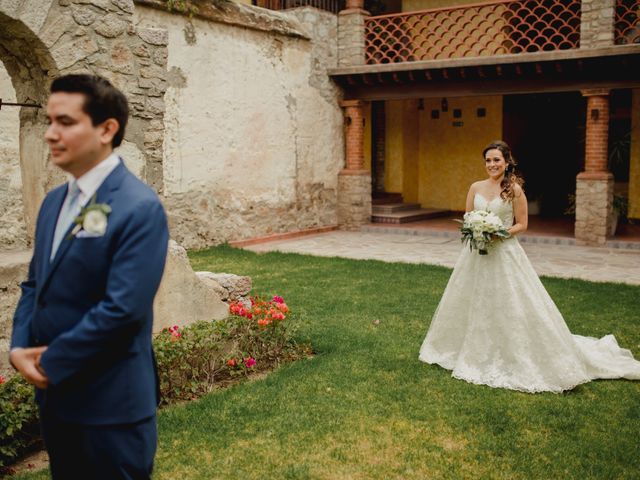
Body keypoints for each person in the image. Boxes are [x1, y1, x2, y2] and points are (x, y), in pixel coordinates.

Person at [10, 74, 169, 478]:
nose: (50, 134)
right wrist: (18, 346)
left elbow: (123, 310)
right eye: (49, 121)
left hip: (111, 406)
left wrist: (49, 362)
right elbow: (35, 284)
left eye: (65, 122)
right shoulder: (52, 203)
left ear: (106, 129)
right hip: (57, 401)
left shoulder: (139, 207)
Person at [418, 140, 640, 393]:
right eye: (488, 160)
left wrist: (499, 233)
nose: (492, 164)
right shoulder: (475, 187)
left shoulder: (514, 189)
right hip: (475, 255)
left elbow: (522, 224)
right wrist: (475, 229)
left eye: (496, 160)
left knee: (509, 300)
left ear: (507, 162)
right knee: (473, 298)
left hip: (504, 252)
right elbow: (468, 217)